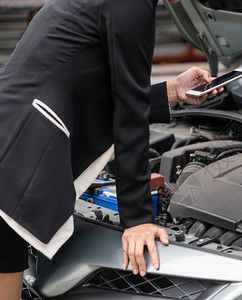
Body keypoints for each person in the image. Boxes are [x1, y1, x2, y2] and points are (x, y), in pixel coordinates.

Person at [0, 0, 222, 298]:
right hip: (19, 150)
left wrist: (170, 92)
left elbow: (88, 80)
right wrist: (139, 220)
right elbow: (129, 112)